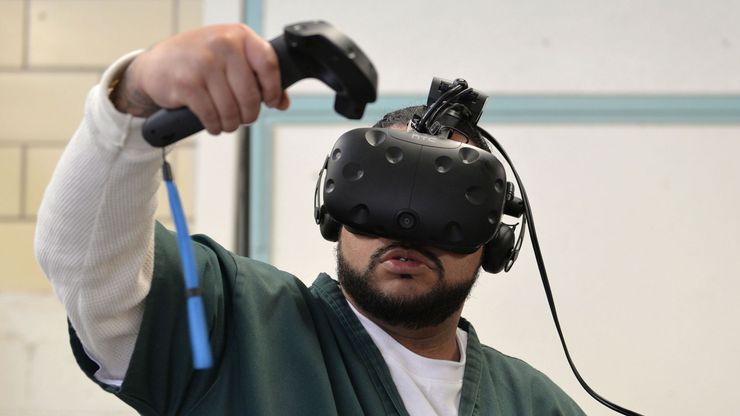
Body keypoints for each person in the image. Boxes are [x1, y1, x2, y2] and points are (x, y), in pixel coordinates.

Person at [35, 24, 585, 415]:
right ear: (333, 206)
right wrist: (132, 100)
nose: (407, 228)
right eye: (382, 194)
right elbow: (83, 262)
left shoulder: (537, 405)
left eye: (450, 206)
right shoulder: (235, 329)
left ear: (495, 242)